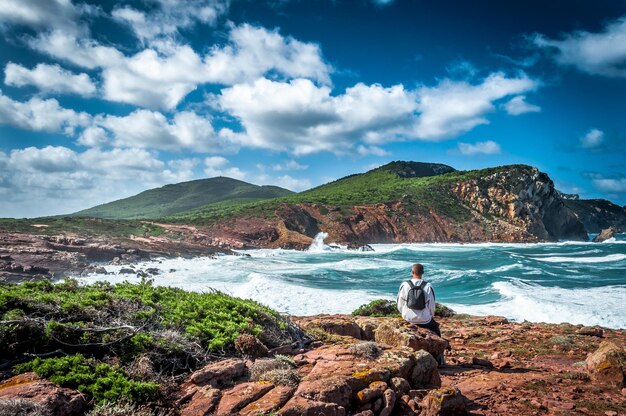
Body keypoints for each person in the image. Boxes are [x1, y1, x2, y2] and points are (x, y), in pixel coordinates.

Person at [397, 263, 445, 365]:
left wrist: (404, 314)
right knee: (436, 331)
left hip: (408, 318)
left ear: (412, 272)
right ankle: (440, 360)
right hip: (425, 320)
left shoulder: (404, 285)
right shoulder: (428, 286)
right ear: (423, 273)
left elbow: (399, 304)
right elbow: (431, 305)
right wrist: (430, 316)